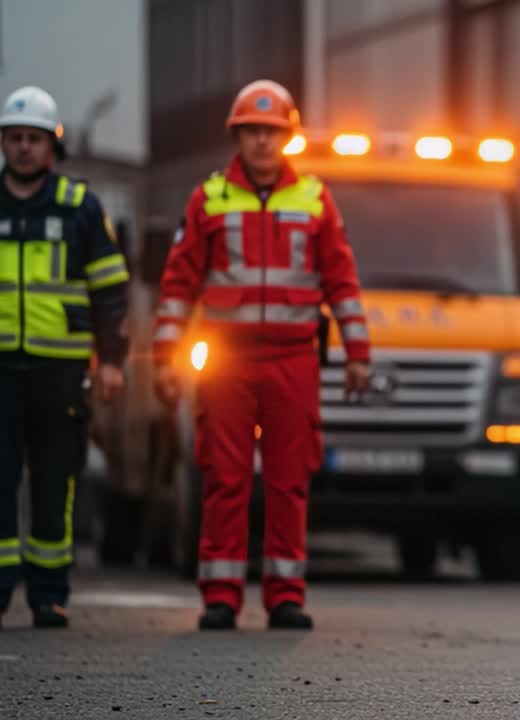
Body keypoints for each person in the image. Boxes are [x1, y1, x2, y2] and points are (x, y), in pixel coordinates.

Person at [152, 80, 370, 631]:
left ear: (288, 138)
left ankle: (285, 596)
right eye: (253, 131)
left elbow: (341, 281)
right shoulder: (210, 199)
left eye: (272, 133)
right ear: (238, 136)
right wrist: (164, 354)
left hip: (293, 359)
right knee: (223, 476)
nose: (263, 143)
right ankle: (220, 595)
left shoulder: (316, 199)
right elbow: (179, 281)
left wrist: (359, 352)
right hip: (227, 360)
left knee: (288, 478)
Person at [0, 86, 129, 629]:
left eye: (34, 139)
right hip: (1, 371)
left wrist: (114, 361)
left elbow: (110, 291)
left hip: (60, 374)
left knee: (56, 481)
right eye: (14, 138)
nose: (24, 149)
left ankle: (49, 593)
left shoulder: (80, 209)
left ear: (54, 147)